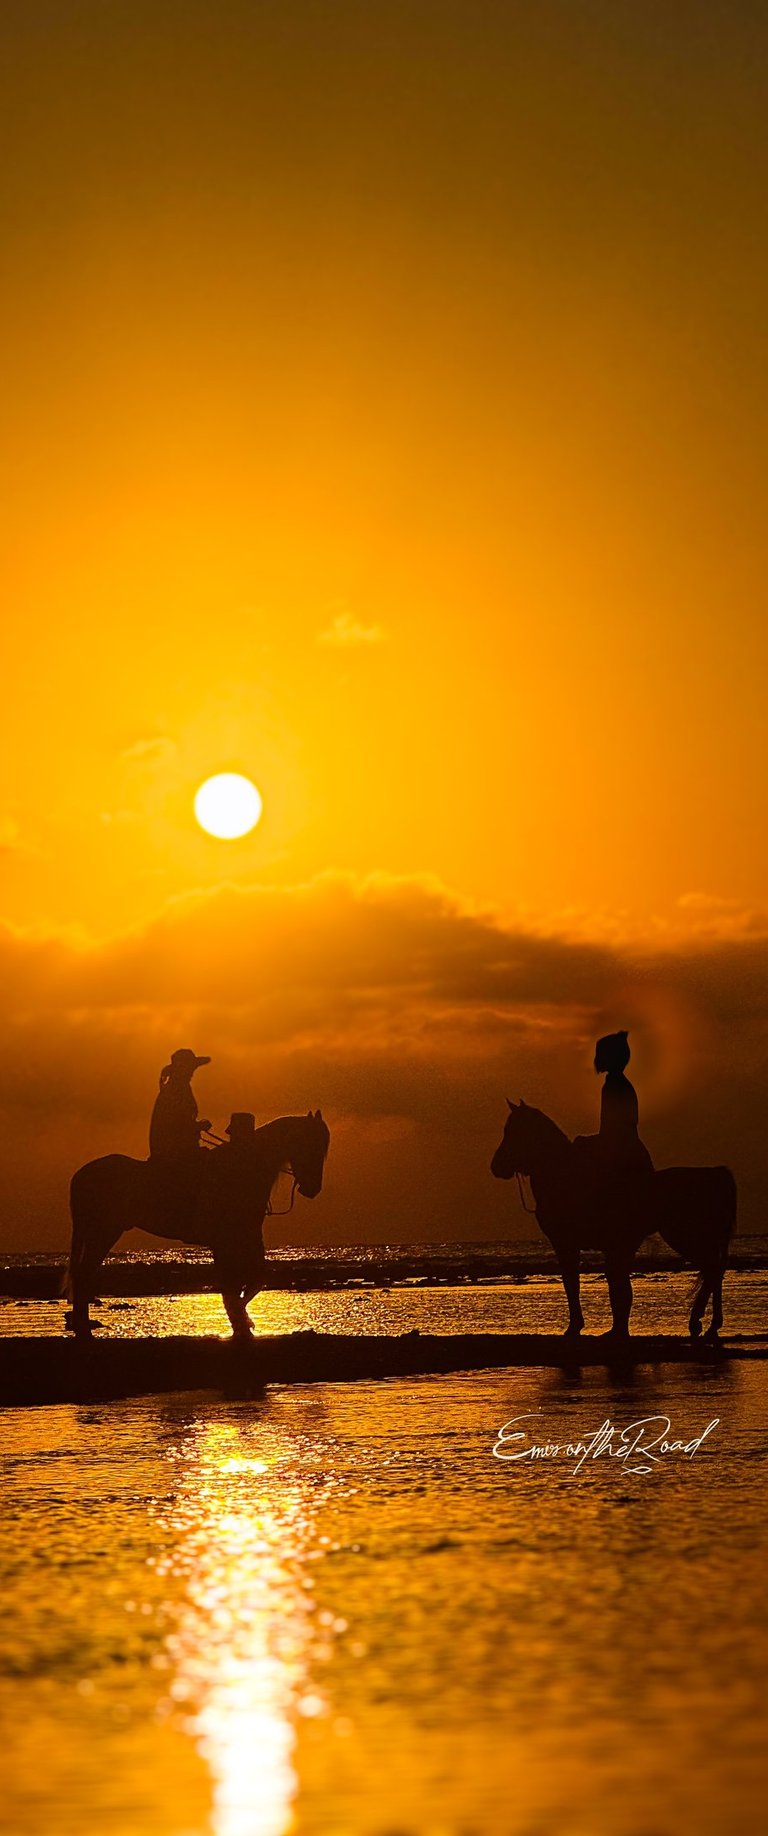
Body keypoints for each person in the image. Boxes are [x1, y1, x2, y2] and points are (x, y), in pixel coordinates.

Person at [594, 1030, 653, 1177]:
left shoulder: (613, 1086)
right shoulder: (622, 1084)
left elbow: (609, 1125)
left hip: (618, 1147)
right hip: (628, 1144)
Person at [148, 1048, 212, 1166]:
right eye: (190, 1069)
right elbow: (177, 1124)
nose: (192, 1073)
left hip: (171, 1149)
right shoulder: (176, 1089)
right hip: (173, 1152)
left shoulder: (176, 1088)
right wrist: (198, 1126)